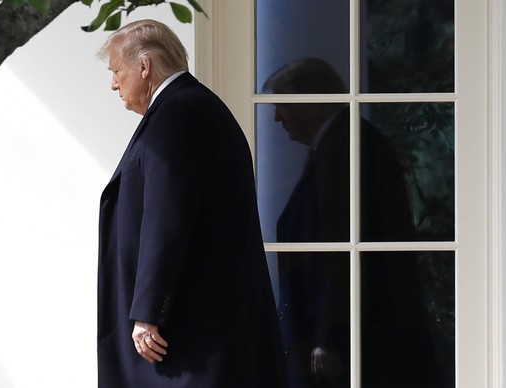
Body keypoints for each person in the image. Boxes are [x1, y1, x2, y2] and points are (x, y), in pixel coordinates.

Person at [96, 19, 288, 388]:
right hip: (201, 324)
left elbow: (166, 215)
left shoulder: (180, 113)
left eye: (117, 71)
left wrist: (149, 311)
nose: (114, 83)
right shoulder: (188, 108)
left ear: (144, 66)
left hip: (190, 333)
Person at [263, 58, 441, 387]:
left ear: (311, 100)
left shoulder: (344, 148)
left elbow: (342, 249)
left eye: (282, 105)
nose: (276, 117)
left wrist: (328, 336)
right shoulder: (342, 143)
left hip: (355, 344)